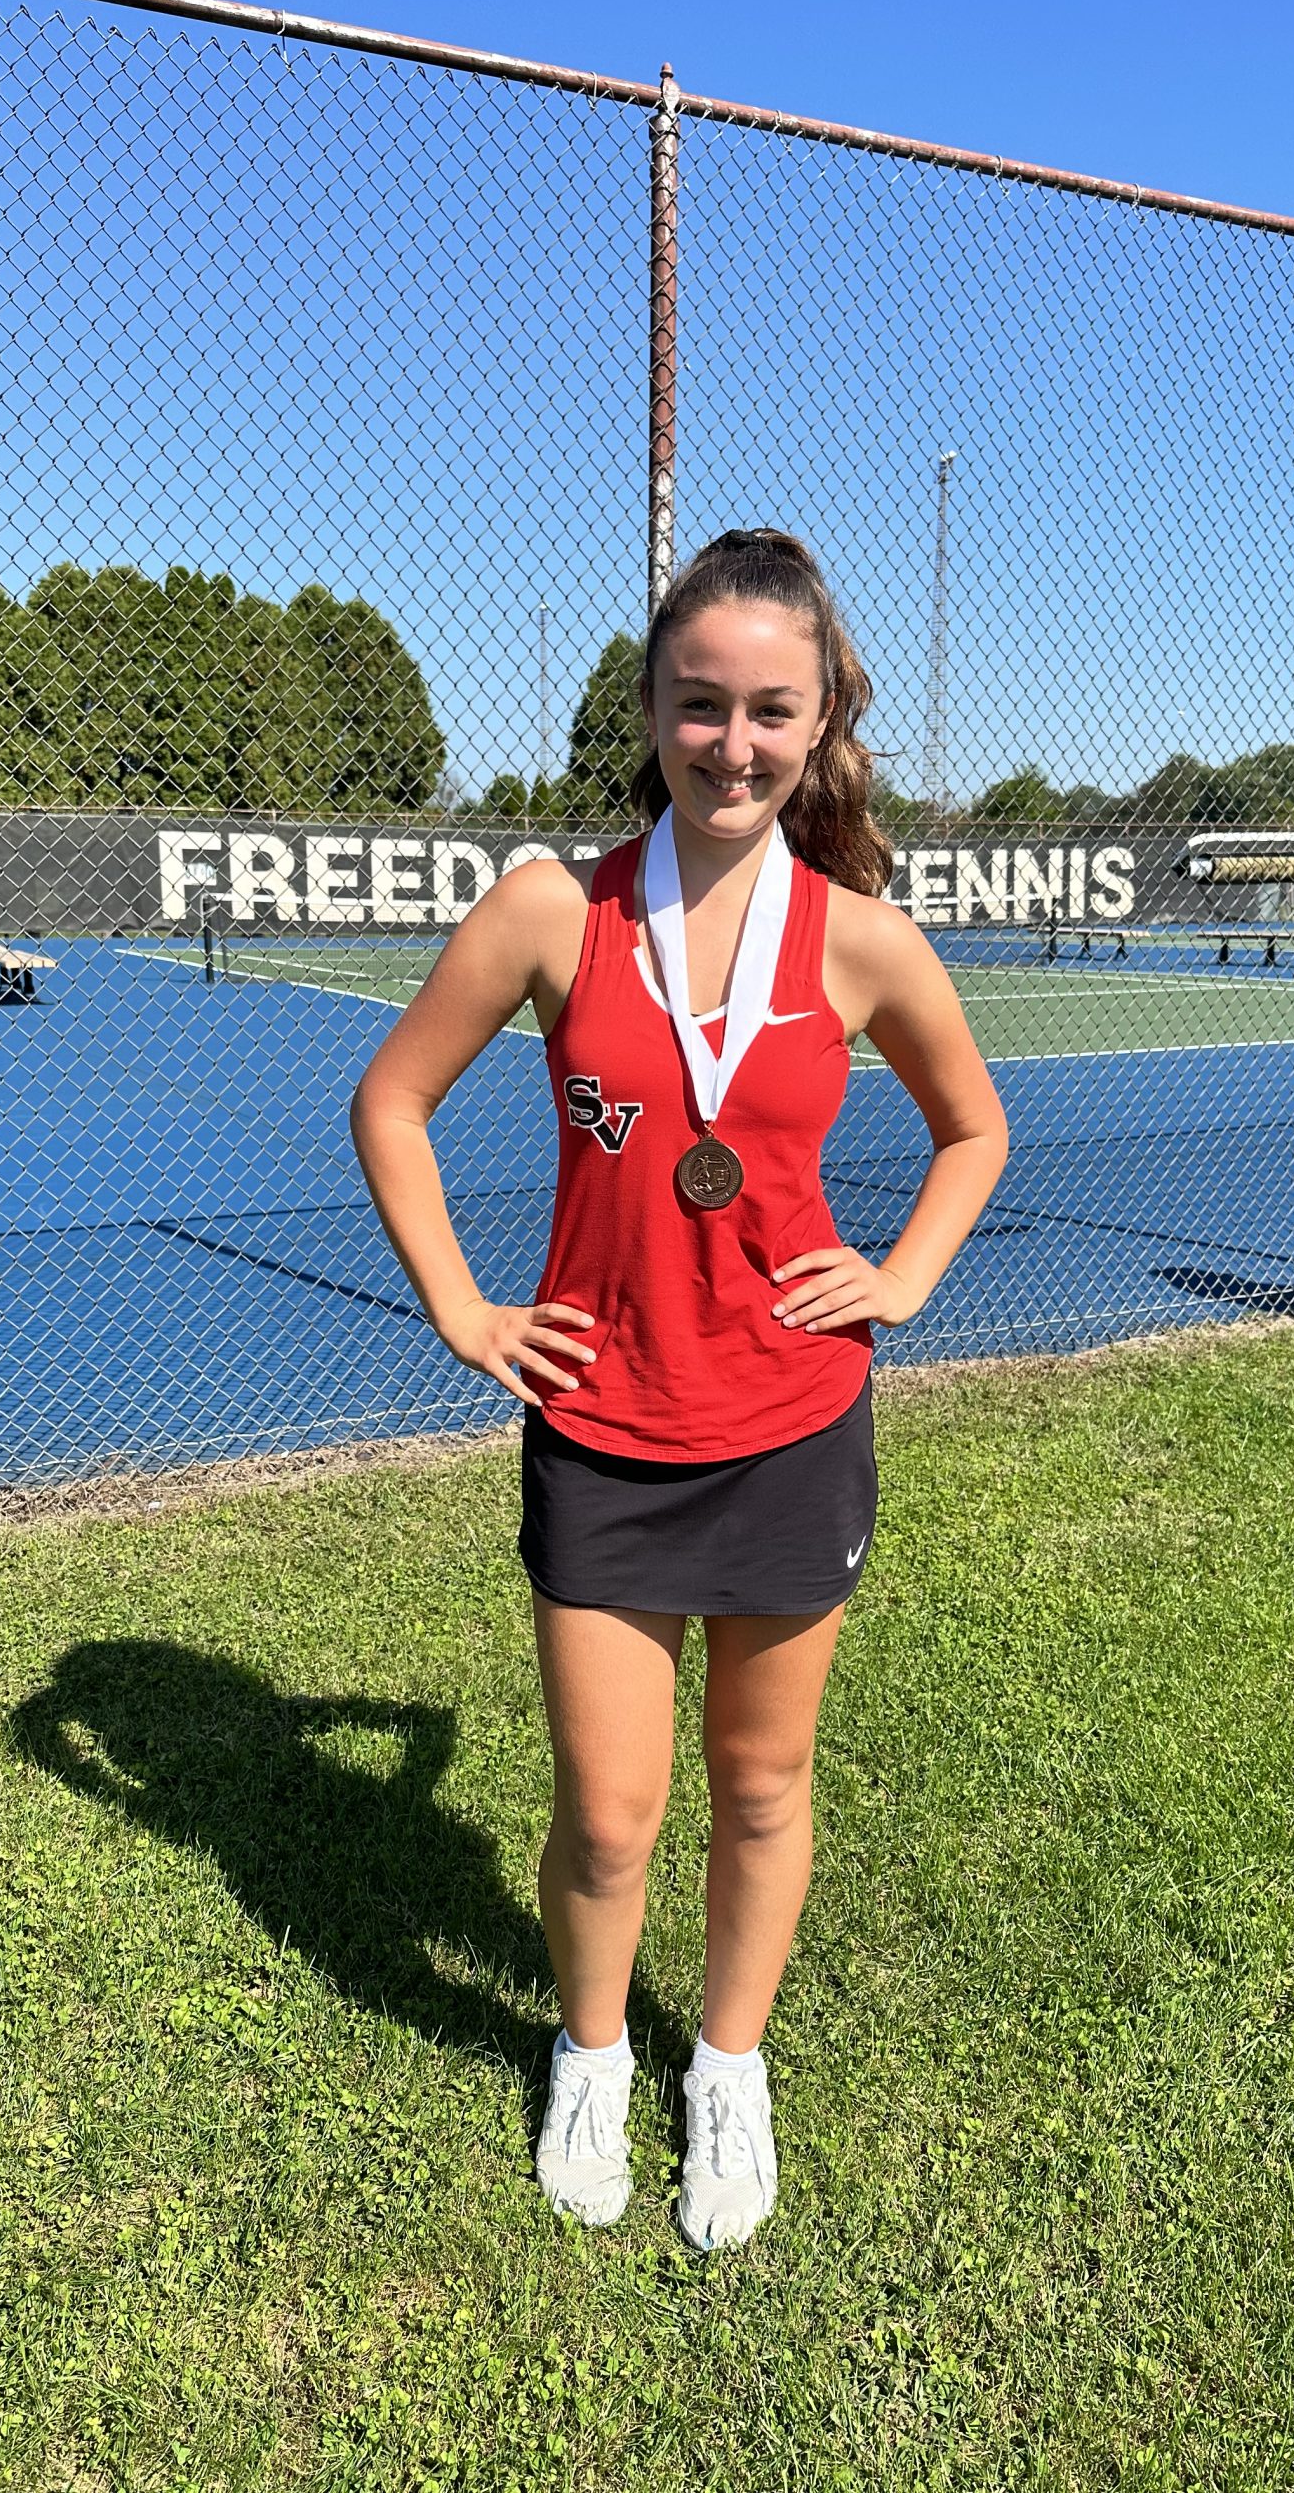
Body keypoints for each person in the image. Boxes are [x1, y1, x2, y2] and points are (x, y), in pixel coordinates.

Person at [350, 529, 1008, 2247]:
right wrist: (466, 1310)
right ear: (649, 710)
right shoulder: (553, 911)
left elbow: (973, 1129)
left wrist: (905, 1278)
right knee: (611, 1810)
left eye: (769, 710)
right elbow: (392, 1105)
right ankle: (591, 2054)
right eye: (699, 705)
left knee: (766, 1786)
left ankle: (725, 2064)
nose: (733, 742)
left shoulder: (861, 938)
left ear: (822, 720)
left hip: (793, 1429)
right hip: (604, 1436)